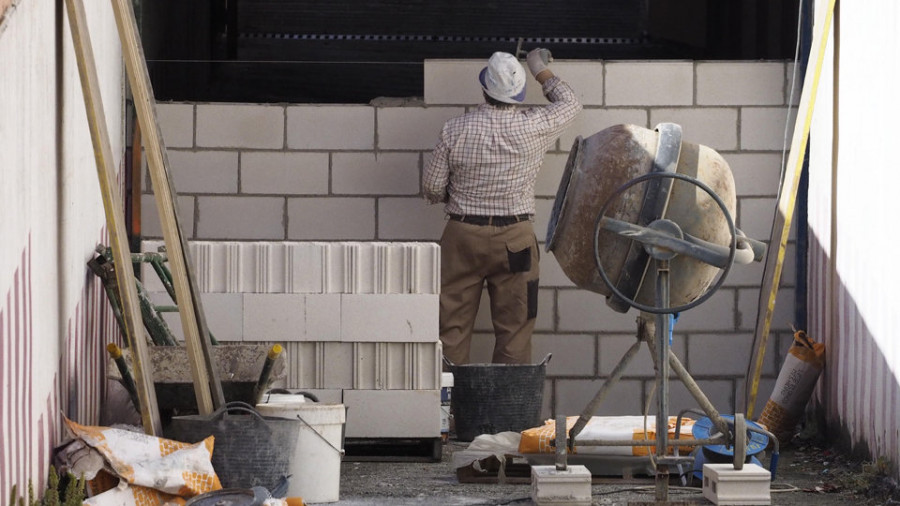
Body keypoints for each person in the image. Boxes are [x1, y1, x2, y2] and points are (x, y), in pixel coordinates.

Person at [423, 49, 582, 365]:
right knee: (516, 330)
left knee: (449, 330)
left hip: (462, 236)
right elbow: (571, 104)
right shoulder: (533, 126)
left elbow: (431, 187)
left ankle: (446, 413)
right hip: (515, 239)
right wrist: (538, 66)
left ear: (484, 88)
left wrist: (456, 196)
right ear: (520, 94)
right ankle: (507, 413)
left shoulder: (454, 129)